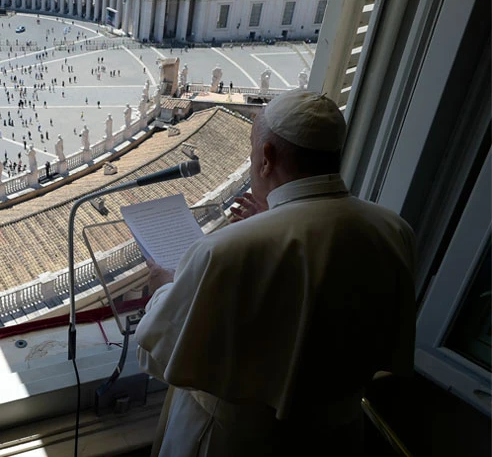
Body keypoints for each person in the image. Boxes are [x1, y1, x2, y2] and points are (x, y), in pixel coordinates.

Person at [136, 90, 417, 457]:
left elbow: (157, 356)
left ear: (266, 158)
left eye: (253, 152)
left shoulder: (223, 251)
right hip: (338, 441)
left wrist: (163, 288)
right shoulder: (395, 231)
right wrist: (270, 221)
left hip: (234, 443)